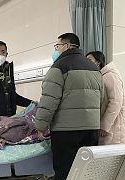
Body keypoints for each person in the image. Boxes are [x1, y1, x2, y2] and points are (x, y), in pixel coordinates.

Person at [34, 33, 104, 180]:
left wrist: (40, 126)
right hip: (91, 130)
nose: (56, 50)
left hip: (66, 131)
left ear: (66, 46)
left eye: (57, 46)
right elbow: (101, 99)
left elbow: (49, 101)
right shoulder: (94, 68)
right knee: (86, 172)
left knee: (65, 171)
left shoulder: (59, 66)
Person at [0, 41, 33, 119]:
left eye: (3, 52)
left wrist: (30, 103)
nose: (0, 55)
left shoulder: (8, 71)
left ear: (6, 54)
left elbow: (13, 96)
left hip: (9, 118)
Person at [86, 51, 125, 145]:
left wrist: (105, 126)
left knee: (111, 156)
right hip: (105, 126)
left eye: (89, 59)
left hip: (113, 126)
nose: (87, 62)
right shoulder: (101, 76)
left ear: (98, 62)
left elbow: (116, 102)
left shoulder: (110, 76)